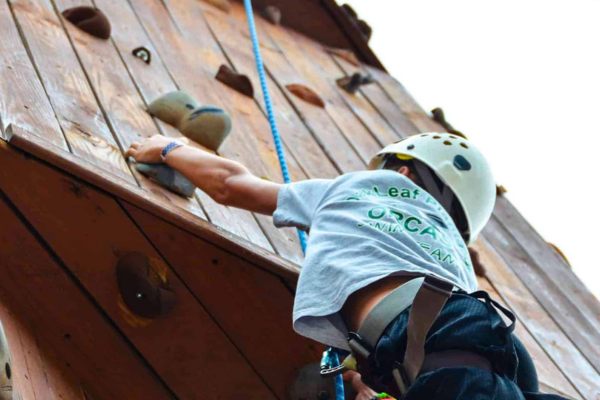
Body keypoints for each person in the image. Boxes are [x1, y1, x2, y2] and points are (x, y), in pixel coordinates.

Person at [125, 133, 564, 400]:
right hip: (482, 335)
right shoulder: (447, 240)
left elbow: (230, 184)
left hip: (428, 336)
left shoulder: (362, 185)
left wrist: (168, 148)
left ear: (405, 170)